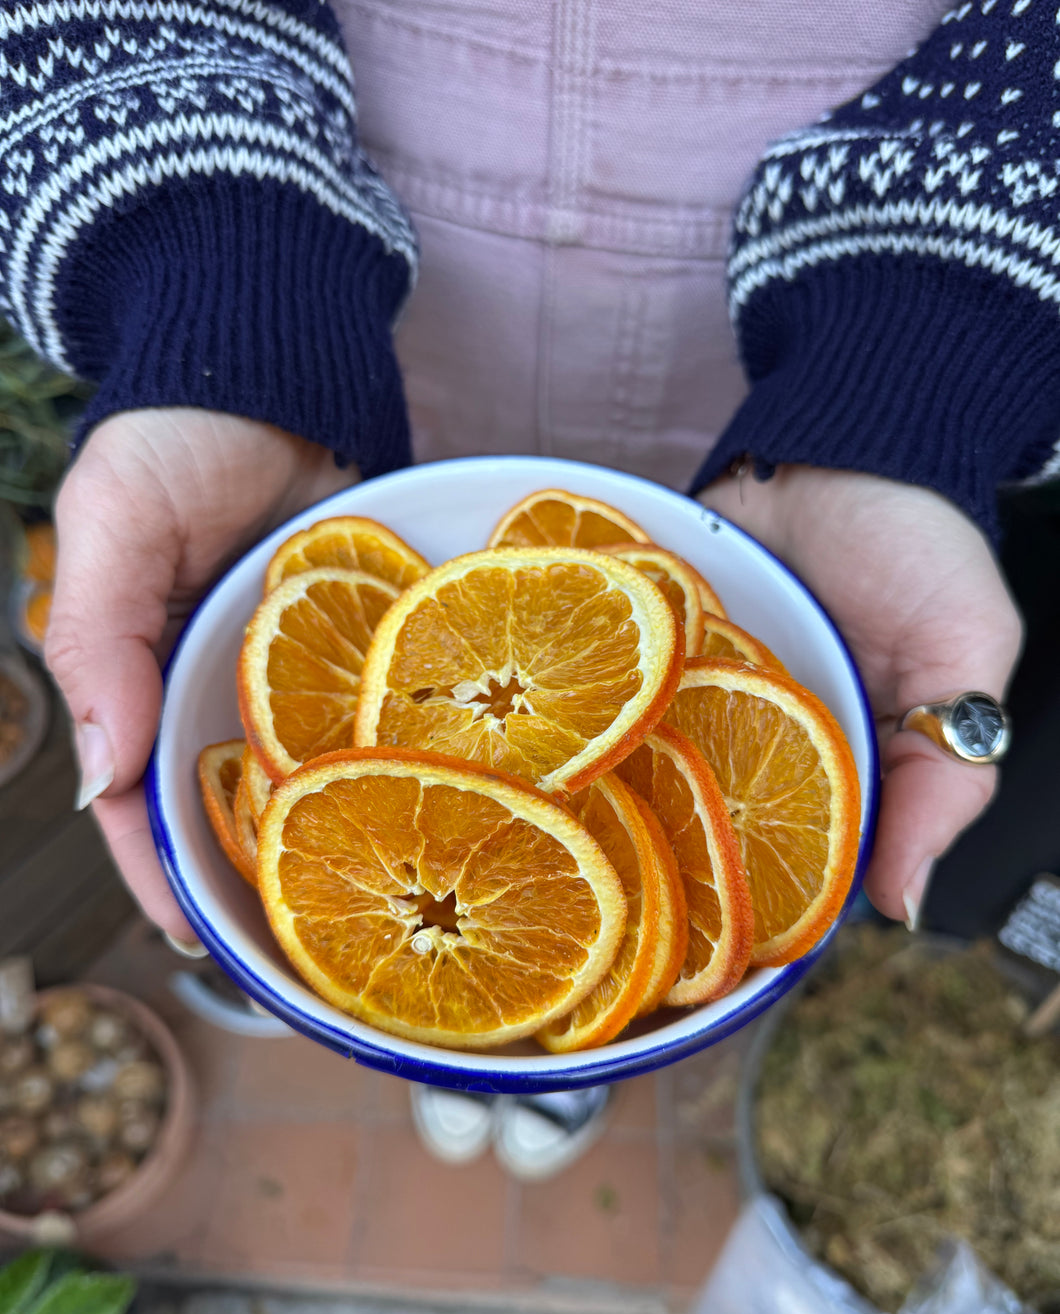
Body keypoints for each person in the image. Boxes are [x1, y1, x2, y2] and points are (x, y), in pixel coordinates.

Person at [0, 1, 1042, 1176]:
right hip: (351, 251)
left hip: (802, 291)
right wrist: (219, 286)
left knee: (612, 963)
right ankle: (497, 1021)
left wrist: (922, 370)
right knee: (475, 914)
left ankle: (563, 1044)